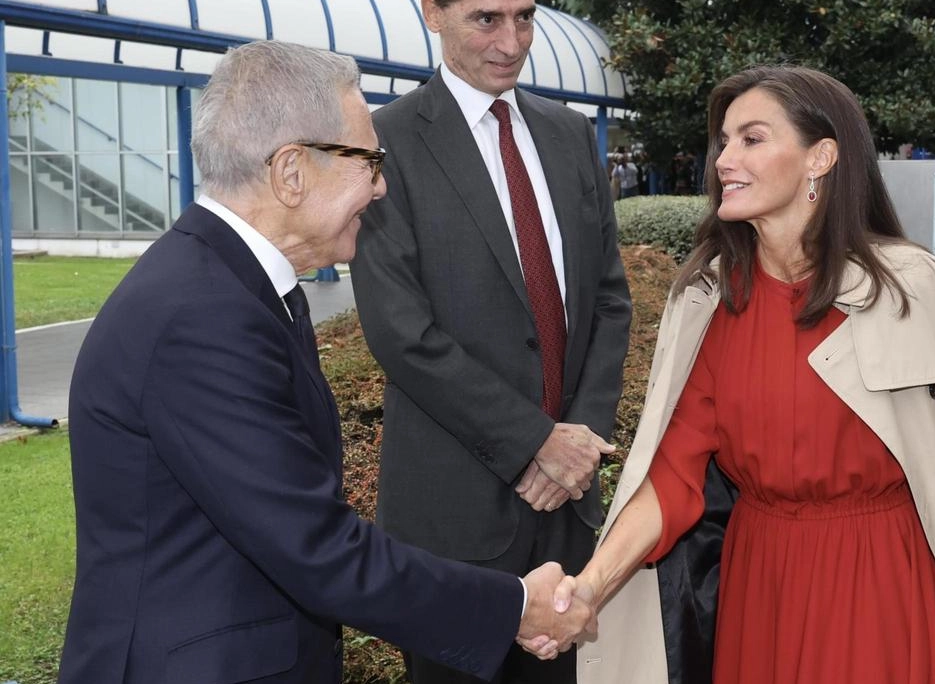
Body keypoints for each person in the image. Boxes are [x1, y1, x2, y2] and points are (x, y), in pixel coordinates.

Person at [58, 40, 592, 684]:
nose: (382, 185)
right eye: (370, 160)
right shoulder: (200, 316)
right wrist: (515, 607)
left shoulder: (240, 286)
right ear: (291, 172)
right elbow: (316, 548)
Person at [564, 65, 935, 684]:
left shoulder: (912, 289)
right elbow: (672, 475)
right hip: (760, 587)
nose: (724, 160)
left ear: (821, 157)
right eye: (723, 142)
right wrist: (588, 591)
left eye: (751, 139)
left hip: (884, 589)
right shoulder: (710, 299)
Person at [348, 0, 633, 682]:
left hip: (566, 510)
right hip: (451, 523)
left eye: (525, 17)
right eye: (485, 19)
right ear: (432, 14)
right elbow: (401, 331)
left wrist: (580, 441)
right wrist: (536, 441)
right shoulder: (383, 142)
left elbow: (609, 300)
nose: (512, 42)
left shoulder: (567, 134)